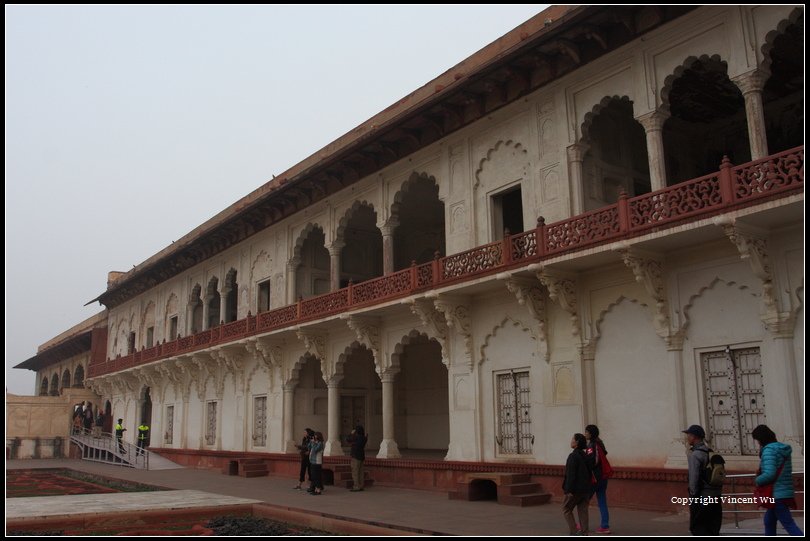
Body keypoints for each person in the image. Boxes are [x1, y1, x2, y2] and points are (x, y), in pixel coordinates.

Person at [752, 425, 803, 536]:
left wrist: (758, 480)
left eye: (757, 440)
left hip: (775, 493)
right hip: (783, 491)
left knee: (788, 524)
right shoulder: (782, 449)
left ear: (761, 439)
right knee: (769, 521)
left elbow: (770, 474)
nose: (757, 443)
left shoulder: (769, 451)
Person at [683, 424, 721, 536]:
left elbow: (693, 478)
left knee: (699, 528)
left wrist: (693, 495)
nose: (687, 438)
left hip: (702, 496)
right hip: (715, 495)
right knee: (713, 529)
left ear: (694, 437)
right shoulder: (710, 451)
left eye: (688, 435)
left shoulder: (695, 455)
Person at [562, 433, 591, 535]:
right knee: (583, 511)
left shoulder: (573, 456)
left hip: (575, 490)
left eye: (572, 439)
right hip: (586, 489)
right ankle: (584, 532)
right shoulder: (585, 456)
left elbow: (571, 475)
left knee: (566, 509)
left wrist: (568, 490)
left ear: (577, 442)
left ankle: (574, 532)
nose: (571, 441)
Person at [585, 424, 610, 534]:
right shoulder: (601, 443)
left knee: (583, 502)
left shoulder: (591, 445)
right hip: (603, 477)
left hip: (595, 478)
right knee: (602, 501)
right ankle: (605, 525)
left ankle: (582, 524)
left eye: (586, 432)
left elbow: (592, 462)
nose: (585, 434)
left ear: (590, 433)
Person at [346, 425, 368, 492]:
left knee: (355, 472)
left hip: (355, 456)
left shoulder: (356, 437)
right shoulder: (363, 438)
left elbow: (347, 439)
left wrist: (351, 433)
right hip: (361, 456)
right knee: (360, 472)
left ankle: (356, 486)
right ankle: (361, 486)